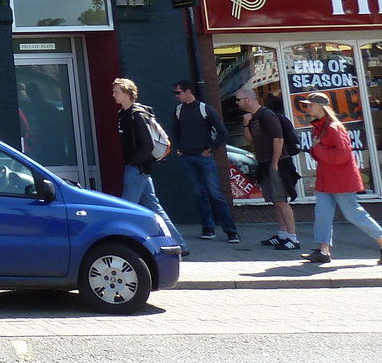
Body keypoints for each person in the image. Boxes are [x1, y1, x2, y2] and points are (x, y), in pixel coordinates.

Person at [299, 92, 382, 266]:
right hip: (327, 179)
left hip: (341, 180)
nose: (308, 107)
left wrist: (318, 148)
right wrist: (317, 149)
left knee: (354, 214)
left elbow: (342, 155)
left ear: (322, 106)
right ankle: (323, 251)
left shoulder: (333, 127)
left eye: (310, 104)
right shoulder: (320, 126)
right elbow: (320, 154)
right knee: (322, 215)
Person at [112, 78, 188, 255]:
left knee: (126, 209)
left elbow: (147, 145)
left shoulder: (137, 114)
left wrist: (133, 163)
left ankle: (123, 248)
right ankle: (181, 245)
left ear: (127, 92)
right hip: (139, 168)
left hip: (138, 169)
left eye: (116, 91)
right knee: (154, 207)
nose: (113, 94)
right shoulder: (122, 114)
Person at [171, 80, 240, 243]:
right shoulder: (179, 110)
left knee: (215, 193)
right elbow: (175, 132)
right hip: (188, 158)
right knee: (199, 193)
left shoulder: (203, 109)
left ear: (188, 91)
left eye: (178, 93)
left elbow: (223, 132)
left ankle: (230, 230)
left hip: (204, 157)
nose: (176, 96)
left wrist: (209, 149)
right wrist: (178, 148)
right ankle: (208, 228)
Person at [237, 87, 299, 250]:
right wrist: (246, 124)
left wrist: (275, 162)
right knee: (275, 200)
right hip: (264, 162)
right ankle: (282, 234)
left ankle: (293, 238)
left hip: (276, 162)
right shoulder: (252, 117)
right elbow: (251, 140)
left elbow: (278, 138)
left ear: (248, 100)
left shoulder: (266, 115)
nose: (237, 103)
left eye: (238, 100)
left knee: (281, 200)